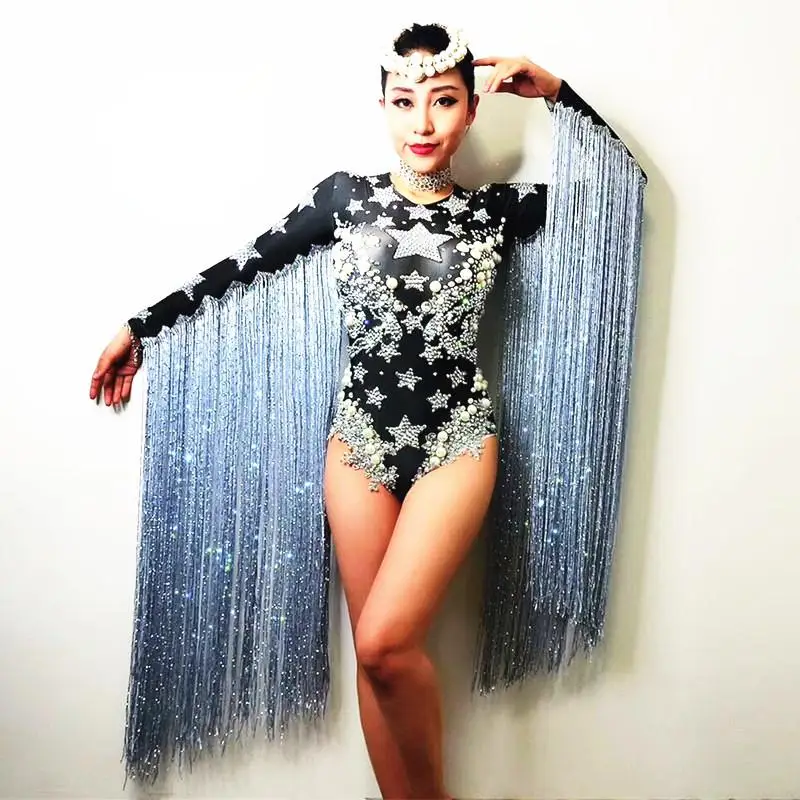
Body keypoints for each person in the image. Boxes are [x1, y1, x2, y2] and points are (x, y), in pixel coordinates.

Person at [89, 22, 646, 799]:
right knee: (375, 658)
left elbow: (621, 198)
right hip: (359, 442)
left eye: (443, 100)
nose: (424, 121)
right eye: (405, 101)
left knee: (387, 642)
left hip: (457, 439)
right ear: (382, 107)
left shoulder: (499, 210)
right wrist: (141, 326)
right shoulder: (344, 198)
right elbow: (241, 264)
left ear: (470, 111)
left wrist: (556, 93)